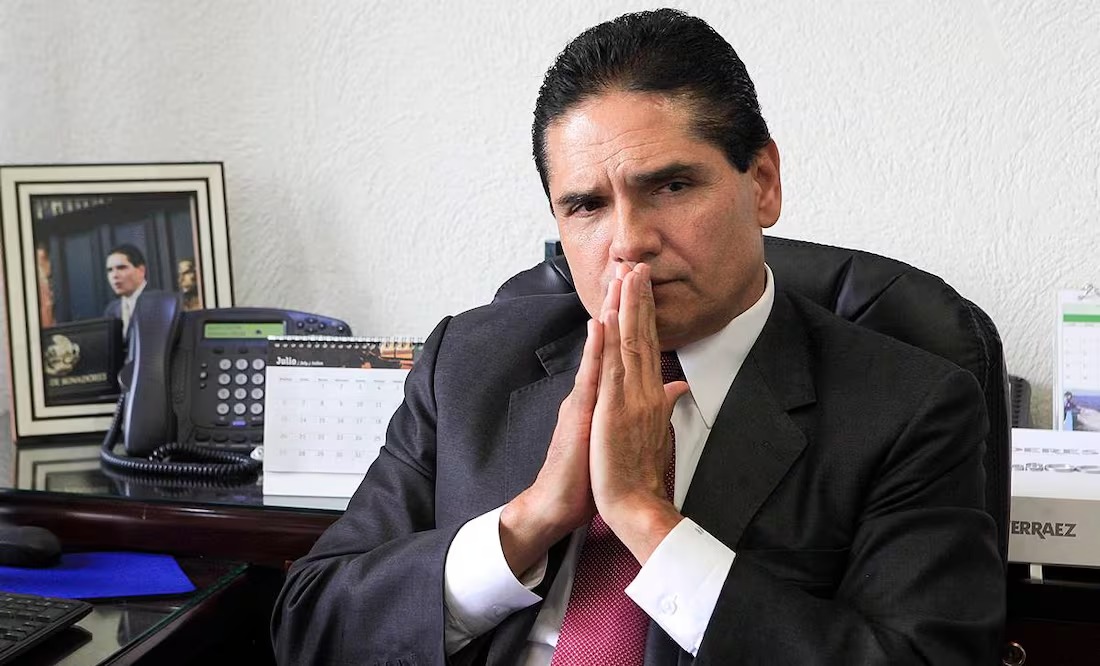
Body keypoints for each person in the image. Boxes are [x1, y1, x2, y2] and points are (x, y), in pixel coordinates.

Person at [272, 9, 1004, 664]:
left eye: (672, 187)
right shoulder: (466, 363)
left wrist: (646, 520)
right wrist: (529, 522)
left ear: (763, 182)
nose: (628, 242)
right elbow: (310, 625)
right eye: (586, 206)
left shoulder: (911, 407)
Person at [103, 243, 149, 337]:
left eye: (121, 268)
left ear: (141, 271)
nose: (114, 275)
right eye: (110, 270)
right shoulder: (111, 310)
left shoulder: (160, 303)